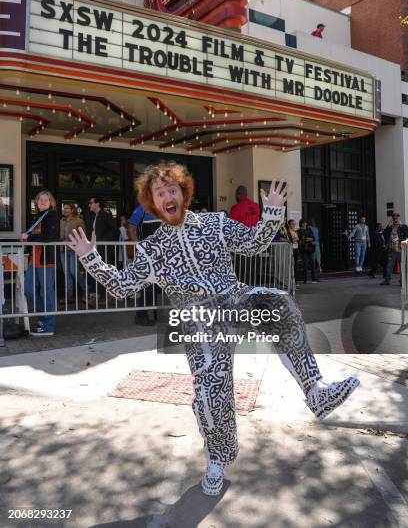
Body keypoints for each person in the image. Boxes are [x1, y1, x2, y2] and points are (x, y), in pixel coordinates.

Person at [68, 162, 359, 496]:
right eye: (160, 194)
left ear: (183, 193)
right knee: (210, 394)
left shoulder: (215, 224)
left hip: (234, 301)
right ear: (153, 203)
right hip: (199, 323)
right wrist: (91, 258)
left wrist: (273, 214)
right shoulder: (152, 250)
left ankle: (315, 389)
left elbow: (254, 244)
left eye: (172, 190)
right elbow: (121, 286)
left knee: (278, 302)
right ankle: (218, 458)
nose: (167, 197)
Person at [20, 190, 59, 336]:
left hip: (46, 260)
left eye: (46, 200)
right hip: (33, 260)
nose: (43, 202)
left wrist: (28, 237)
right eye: (40, 199)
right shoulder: (38, 216)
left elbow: (49, 236)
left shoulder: (52, 216)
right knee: (28, 289)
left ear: (51, 203)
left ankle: (48, 326)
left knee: (46, 292)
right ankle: (43, 319)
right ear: (36, 202)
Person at [87, 197, 118, 305]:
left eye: (91, 203)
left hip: (105, 249)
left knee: (105, 272)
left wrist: (102, 241)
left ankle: (110, 296)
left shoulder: (105, 215)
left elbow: (115, 231)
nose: (89, 205)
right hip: (98, 249)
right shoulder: (95, 216)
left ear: (97, 204)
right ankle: (102, 296)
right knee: (99, 272)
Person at [59, 203, 87, 303]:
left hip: (74, 249)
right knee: (66, 273)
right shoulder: (61, 221)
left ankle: (86, 289)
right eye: (64, 208)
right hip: (63, 249)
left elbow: (83, 235)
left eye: (67, 208)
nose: (64, 210)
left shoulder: (79, 221)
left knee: (74, 271)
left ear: (72, 210)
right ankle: (69, 296)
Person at [381, 213, 408, 285]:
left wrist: (401, 225)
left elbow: (406, 234)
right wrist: (388, 224)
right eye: (393, 218)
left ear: (399, 218)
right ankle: (387, 280)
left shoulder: (403, 226)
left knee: (402, 266)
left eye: (396, 218)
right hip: (392, 249)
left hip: (400, 249)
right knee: (389, 266)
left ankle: (402, 281)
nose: (395, 220)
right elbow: (384, 234)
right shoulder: (390, 227)